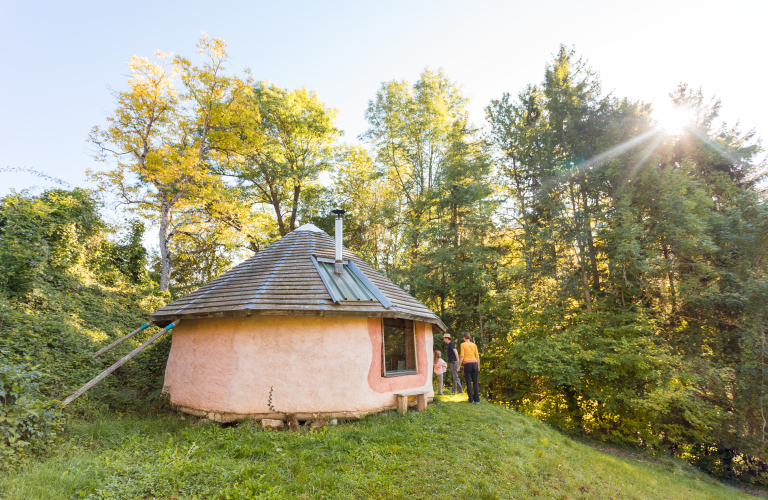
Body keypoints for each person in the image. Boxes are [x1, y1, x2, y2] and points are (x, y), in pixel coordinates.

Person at [459, 332, 480, 404]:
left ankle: (471, 400)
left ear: (464, 337)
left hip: (467, 364)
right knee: (475, 382)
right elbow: (477, 357)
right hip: (474, 364)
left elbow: (462, 356)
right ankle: (477, 401)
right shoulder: (474, 345)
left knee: (468, 382)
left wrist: (459, 366)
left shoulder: (462, 344)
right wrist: (478, 366)